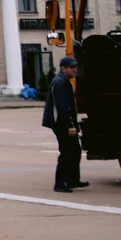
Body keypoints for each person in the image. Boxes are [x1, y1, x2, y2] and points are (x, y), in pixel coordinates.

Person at [43, 56, 88, 192]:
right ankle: (60, 183)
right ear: (63, 69)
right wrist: (70, 126)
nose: (75, 69)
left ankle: (72, 180)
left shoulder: (63, 81)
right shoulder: (60, 83)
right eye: (71, 67)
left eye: (75, 67)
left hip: (64, 123)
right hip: (61, 124)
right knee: (67, 152)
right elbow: (62, 107)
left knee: (75, 151)